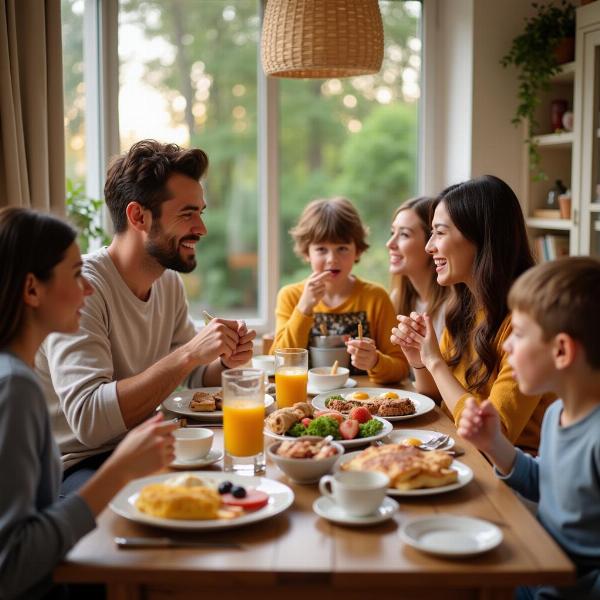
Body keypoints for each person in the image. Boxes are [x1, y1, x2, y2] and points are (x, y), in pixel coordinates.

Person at [35, 140, 255, 493]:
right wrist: (188, 355)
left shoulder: (167, 283)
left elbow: (196, 377)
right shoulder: (82, 291)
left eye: (201, 212)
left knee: (241, 487)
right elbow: (89, 419)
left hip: (148, 447)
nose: (201, 228)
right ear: (138, 216)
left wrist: (225, 362)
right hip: (78, 467)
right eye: (187, 213)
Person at [0, 207, 177, 600]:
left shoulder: (17, 376)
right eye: (76, 274)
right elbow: (10, 565)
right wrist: (120, 470)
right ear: (32, 290)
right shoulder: (14, 388)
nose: (89, 289)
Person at [458, 257, 600, 599]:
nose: (506, 345)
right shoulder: (556, 415)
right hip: (532, 573)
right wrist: (494, 444)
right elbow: (546, 485)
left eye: (518, 334)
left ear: (562, 351)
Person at [391, 175, 554, 453]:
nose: (430, 246)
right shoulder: (464, 307)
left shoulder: (528, 323)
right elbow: (437, 397)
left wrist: (435, 362)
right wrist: (419, 360)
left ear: (481, 239)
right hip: (460, 450)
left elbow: (496, 433)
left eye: (440, 233)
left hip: (513, 476)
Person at [272, 197, 408, 384]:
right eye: (321, 249)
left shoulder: (375, 297)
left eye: (342, 248)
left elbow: (401, 368)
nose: (332, 259)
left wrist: (375, 361)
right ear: (306, 253)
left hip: (362, 402)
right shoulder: (291, 296)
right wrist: (304, 307)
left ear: (358, 251)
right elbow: (279, 364)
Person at [387, 196, 448, 341]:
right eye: (392, 233)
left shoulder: (452, 308)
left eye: (404, 234)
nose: (390, 243)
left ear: (431, 243)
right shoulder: (397, 299)